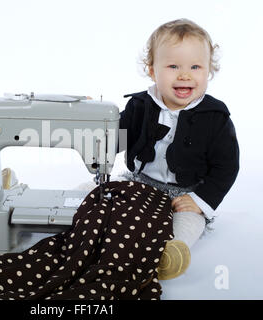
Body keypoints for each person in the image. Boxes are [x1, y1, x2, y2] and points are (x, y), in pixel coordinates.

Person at [77, 18, 239, 280]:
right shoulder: (140, 105)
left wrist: (200, 201)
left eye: (195, 67)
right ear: (152, 71)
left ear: (208, 71)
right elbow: (114, 139)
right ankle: (53, 207)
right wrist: (94, 124)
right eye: (173, 66)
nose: (185, 75)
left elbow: (226, 167)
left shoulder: (215, 118)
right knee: (86, 192)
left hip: (186, 192)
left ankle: (171, 254)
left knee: (188, 223)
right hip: (140, 181)